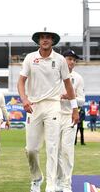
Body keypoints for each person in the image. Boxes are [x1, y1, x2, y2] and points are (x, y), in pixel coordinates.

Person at [17, 31, 79, 192]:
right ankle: (36, 178)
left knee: (52, 147)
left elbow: (68, 86)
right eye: (42, 38)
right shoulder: (30, 58)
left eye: (48, 38)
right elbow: (21, 82)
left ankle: (51, 185)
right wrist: (24, 99)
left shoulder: (59, 60)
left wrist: (74, 108)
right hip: (34, 106)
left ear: (52, 41)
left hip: (53, 105)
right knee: (31, 149)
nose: (45, 40)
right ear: (38, 41)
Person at [55, 49, 85, 192]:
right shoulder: (54, 74)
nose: (71, 62)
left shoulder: (78, 78)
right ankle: (57, 182)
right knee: (54, 151)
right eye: (69, 58)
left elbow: (82, 101)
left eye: (74, 59)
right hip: (53, 117)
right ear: (62, 59)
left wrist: (70, 97)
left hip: (69, 117)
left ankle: (67, 184)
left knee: (67, 151)